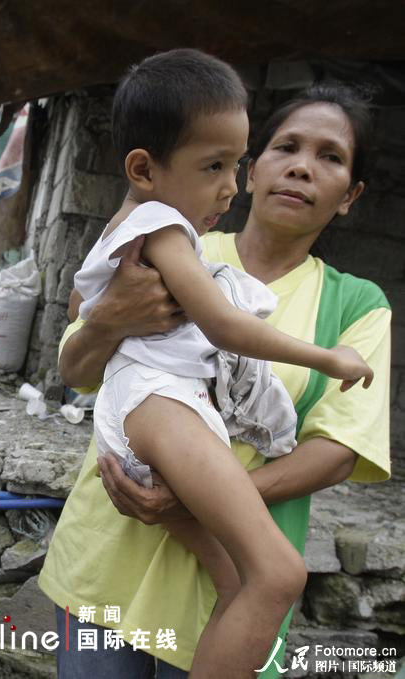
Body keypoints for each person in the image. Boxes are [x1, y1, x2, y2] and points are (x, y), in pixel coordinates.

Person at [40, 81, 390, 679]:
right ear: (251, 172)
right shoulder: (180, 246)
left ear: (350, 194)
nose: (302, 168)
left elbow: (336, 454)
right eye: (286, 148)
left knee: (254, 587)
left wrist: (195, 494)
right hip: (111, 550)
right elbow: (76, 369)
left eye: (329, 157)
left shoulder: (357, 304)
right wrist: (110, 317)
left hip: (217, 565)